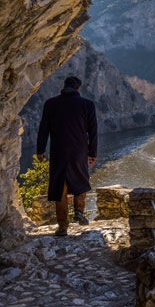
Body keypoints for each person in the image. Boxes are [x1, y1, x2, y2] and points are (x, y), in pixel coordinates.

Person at [34, 75, 98, 236]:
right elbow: (93, 132)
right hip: (79, 151)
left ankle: (63, 226)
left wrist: (40, 150)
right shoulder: (87, 105)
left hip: (59, 151)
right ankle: (79, 211)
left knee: (59, 188)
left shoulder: (51, 104)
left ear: (64, 87)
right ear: (78, 88)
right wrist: (92, 153)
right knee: (80, 180)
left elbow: (43, 130)